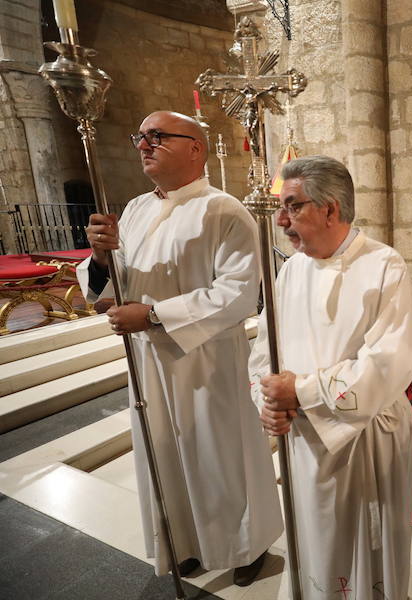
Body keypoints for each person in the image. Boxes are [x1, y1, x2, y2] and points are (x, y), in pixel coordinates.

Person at [77, 111, 282, 585]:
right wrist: (101, 259)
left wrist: (150, 315)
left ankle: (247, 545)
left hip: (205, 361)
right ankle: (185, 543)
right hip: (149, 364)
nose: (144, 145)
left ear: (196, 147)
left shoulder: (224, 211)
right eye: (140, 137)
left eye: (157, 136)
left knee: (221, 457)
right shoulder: (134, 209)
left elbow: (235, 294)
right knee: (165, 454)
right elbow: (113, 283)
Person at [248, 155, 412, 600]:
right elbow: (264, 348)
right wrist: (268, 401)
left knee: (363, 557)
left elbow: (388, 362)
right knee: (312, 545)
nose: (281, 220)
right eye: (280, 206)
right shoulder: (292, 270)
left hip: (364, 440)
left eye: (292, 206)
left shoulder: (385, 265)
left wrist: (300, 392)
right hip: (304, 439)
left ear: (330, 209)